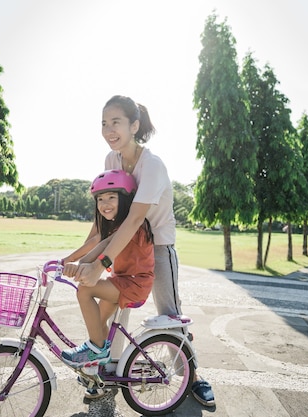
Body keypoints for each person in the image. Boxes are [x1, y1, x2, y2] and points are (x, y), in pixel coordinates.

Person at [68, 95, 215, 407]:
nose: (109, 129)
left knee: (170, 313)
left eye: (116, 122)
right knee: (113, 310)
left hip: (157, 244)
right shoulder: (112, 160)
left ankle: (193, 374)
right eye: (104, 124)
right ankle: (106, 371)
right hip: (125, 244)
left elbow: (135, 218)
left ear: (134, 126)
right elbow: (106, 220)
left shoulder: (152, 165)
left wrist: (100, 262)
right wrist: (80, 258)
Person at [60, 169, 155, 368]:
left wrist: (80, 265)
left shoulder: (132, 226)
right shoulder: (115, 226)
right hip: (121, 281)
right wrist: (70, 261)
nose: (105, 204)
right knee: (99, 325)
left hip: (134, 284)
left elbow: (103, 247)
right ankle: (99, 370)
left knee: (85, 290)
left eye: (112, 197)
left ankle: (96, 350)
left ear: (127, 199)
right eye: (100, 199)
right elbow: (97, 241)